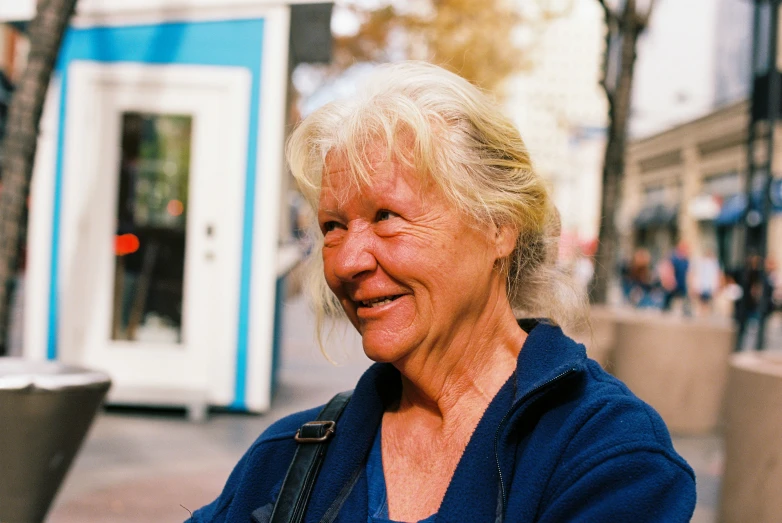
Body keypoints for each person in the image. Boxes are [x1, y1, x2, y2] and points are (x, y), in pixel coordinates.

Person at [189, 62, 695, 523]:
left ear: (499, 225)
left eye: (387, 216)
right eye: (333, 227)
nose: (345, 261)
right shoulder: (285, 462)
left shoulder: (607, 457)